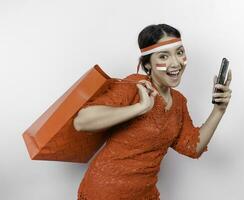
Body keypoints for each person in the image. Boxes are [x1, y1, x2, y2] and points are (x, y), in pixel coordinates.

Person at [74, 23, 232, 200]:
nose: (175, 63)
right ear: (148, 65)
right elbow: (82, 121)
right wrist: (140, 107)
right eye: (164, 56)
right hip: (106, 191)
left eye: (179, 53)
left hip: (145, 193)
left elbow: (192, 147)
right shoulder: (135, 86)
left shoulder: (179, 101)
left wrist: (219, 109)